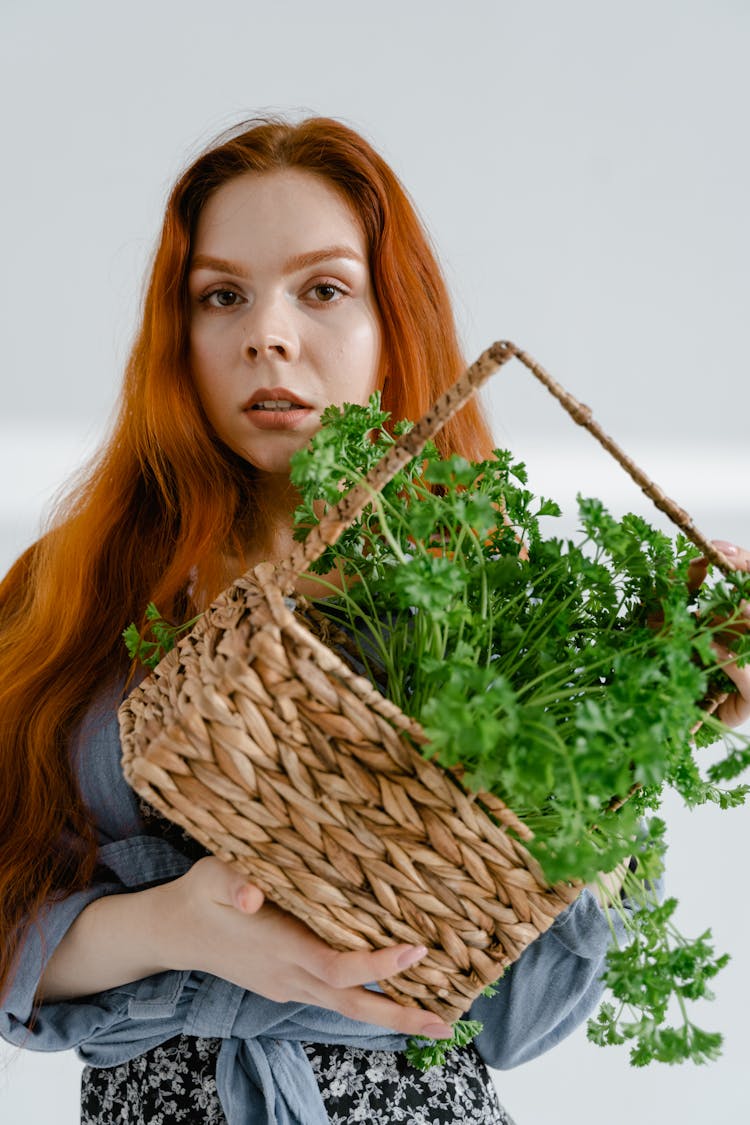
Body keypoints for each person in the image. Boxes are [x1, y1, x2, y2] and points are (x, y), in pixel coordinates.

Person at [0, 115, 748, 1125]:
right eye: (221, 295)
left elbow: (516, 1019)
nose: (268, 332)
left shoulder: (495, 603)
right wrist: (175, 926)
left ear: (394, 321)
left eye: (323, 290)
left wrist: (636, 737)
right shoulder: (66, 591)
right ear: (176, 336)